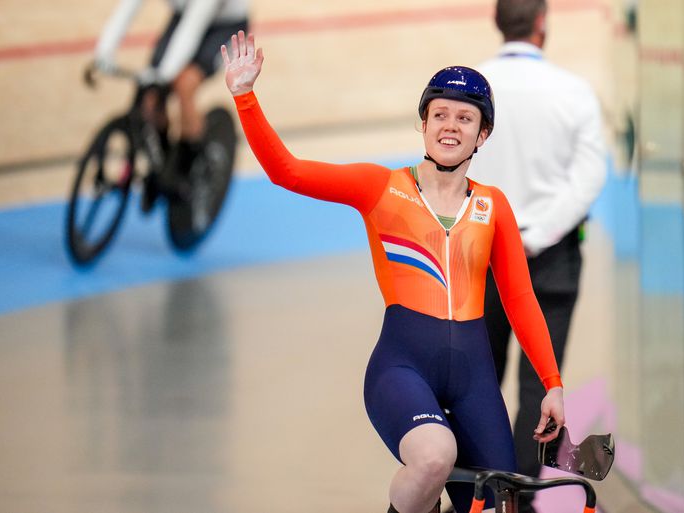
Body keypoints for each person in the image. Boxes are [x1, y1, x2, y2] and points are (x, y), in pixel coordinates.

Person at [221, 31, 565, 513]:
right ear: (423, 124)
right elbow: (288, 171)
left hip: (474, 378)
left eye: (465, 118)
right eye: (440, 114)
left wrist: (552, 382)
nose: (451, 126)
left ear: (482, 134)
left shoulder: (494, 206)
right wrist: (244, 96)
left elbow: (520, 299)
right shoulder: (380, 187)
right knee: (433, 457)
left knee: (499, 502)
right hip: (403, 368)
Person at [467, 1, 607, 511]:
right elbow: (589, 177)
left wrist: (498, 236)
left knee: (476, 383)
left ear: (497, 22)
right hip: (551, 260)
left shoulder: (468, 85)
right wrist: (537, 234)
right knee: (539, 390)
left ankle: (477, 494)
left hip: (476, 259)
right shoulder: (573, 91)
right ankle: (520, 500)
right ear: (543, 24)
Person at [93, 0, 248, 210]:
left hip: (225, 26)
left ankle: (187, 167)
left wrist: (164, 75)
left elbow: (192, 29)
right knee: (150, 96)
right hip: (184, 17)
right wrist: (104, 52)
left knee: (183, 85)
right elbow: (127, 8)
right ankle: (162, 164)